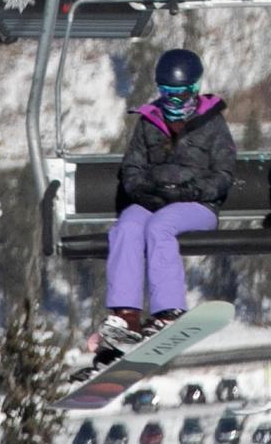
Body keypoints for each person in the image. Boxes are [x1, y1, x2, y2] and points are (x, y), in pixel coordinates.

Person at [96, 48, 236, 365]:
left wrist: (191, 190)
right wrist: (146, 192)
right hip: (155, 200)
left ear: (195, 90)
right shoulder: (149, 121)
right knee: (128, 225)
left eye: (181, 96)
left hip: (198, 206)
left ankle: (168, 311)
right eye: (167, 95)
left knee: (161, 227)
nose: (173, 104)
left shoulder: (212, 123)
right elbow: (132, 169)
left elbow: (224, 174)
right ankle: (126, 314)